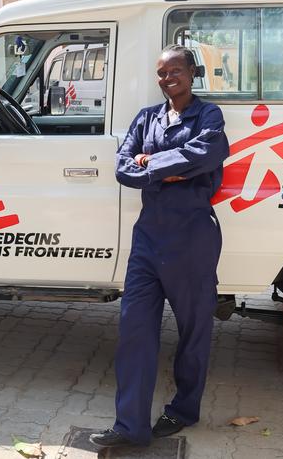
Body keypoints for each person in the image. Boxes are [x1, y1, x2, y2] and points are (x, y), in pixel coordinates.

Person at [90, 45, 230, 448]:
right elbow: (122, 167)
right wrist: (169, 170)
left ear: (192, 73)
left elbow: (208, 153)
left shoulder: (209, 115)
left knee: (192, 332)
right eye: (161, 73)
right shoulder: (146, 117)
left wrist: (150, 164)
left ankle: (184, 409)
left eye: (176, 71)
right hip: (148, 237)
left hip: (192, 236)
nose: (168, 78)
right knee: (135, 330)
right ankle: (130, 426)